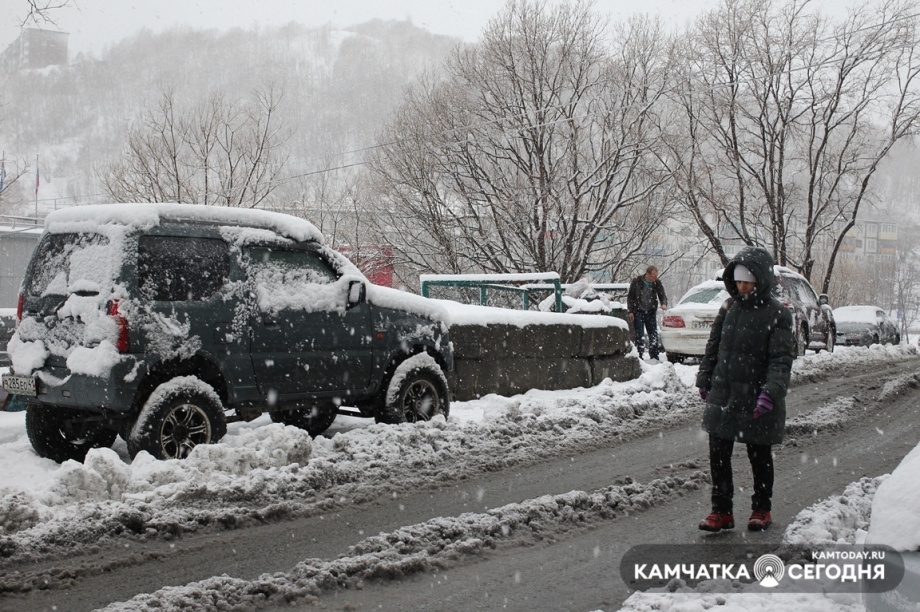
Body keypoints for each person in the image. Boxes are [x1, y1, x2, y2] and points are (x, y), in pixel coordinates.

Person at [695, 246, 794, 533]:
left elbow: (781, 360)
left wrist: (770, 393)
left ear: (761, 280)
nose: (742, 287)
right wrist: (705, 379)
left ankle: (761, 509)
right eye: (738, 281)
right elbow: (713, 348)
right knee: (718, 453)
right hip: (725, 394)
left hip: (757, 395)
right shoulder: (728, 308)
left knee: (759, 455)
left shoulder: (778, 314)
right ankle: (721, 511)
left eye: (748, 282)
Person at [626, 265, 668, 363]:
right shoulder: (637, 282)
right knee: (639, 335)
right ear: (647, 274)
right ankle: (639, 355)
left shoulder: (656, 283)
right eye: (653, 275)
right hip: (638, 311)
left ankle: (654, 356)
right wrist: (631, 311)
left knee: (653, 334)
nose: (655, 278)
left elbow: (662, 294)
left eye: (656, 276)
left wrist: (664, 303)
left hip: (650, 311)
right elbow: (630, 297)